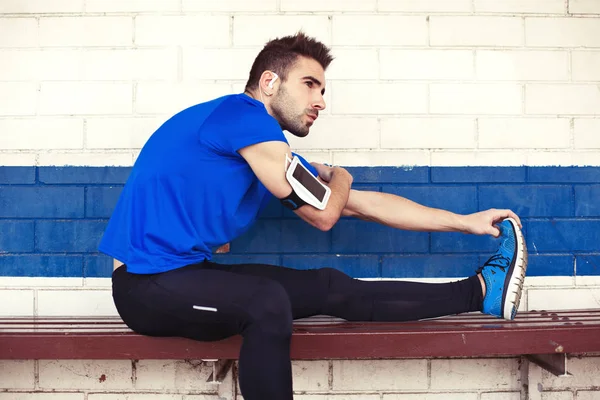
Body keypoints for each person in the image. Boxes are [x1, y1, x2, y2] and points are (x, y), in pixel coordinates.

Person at [100, 32, 528, 400]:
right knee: (266, 303)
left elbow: (360, 204)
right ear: (269, 82)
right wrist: (340, 175)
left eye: (322, 90)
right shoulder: (241, 118)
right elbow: (326, 213)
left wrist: (465, 220)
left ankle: (479, 292)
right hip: (145, 289)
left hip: (185, 275)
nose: (320, 101)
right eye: (310, 85)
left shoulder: (260, 148)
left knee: (329, 285)